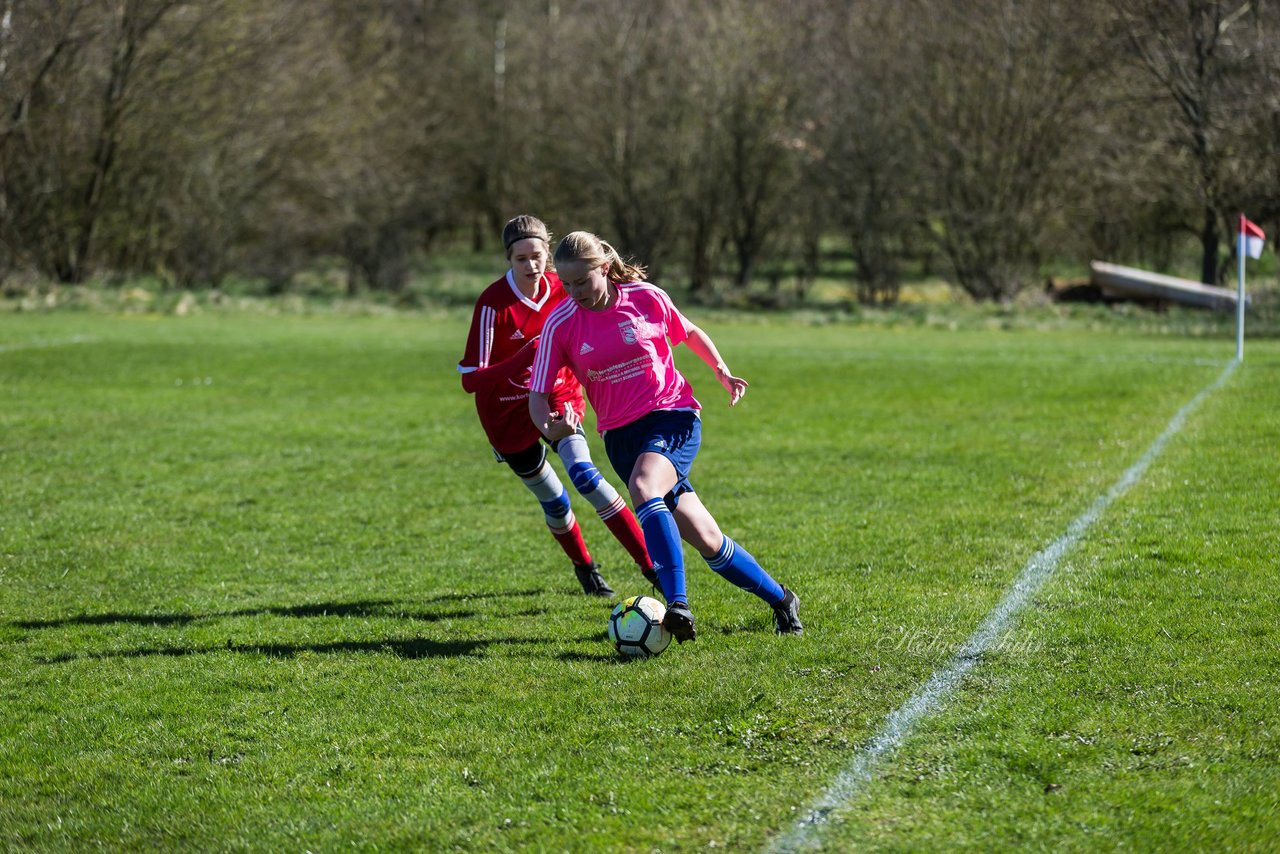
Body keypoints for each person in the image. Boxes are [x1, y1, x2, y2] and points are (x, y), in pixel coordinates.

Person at [528, 231, 802, 641]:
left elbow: (688, 332)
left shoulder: (645, 297)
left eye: (582, 281)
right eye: (566, 284)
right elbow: (538, 395)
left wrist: (721, 370)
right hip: (621, 438)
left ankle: (678, 605)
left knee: (643, 485)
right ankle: (783, 600)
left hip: (672, 415)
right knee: (707, 539)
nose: (574, 292)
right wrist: (552, 429)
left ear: (604, 268)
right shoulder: (561, 322)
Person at [458, 216, 655, 596]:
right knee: (554, 499)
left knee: (586, 476)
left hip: (560, 398)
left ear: (549, 253)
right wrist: (523, 358)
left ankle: (652, 568)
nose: (531, 266)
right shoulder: (493, 303)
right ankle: (585, 567)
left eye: (537, 256)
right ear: (508, 260)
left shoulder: (563, 287)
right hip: (506, 416)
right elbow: (470, 379)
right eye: (521, 259)